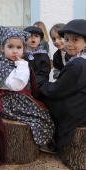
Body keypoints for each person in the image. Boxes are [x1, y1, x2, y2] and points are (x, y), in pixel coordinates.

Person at [0, 25, 55, 148]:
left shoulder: (15, 63)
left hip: (20, 99)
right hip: (11, 103)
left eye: (19, 47)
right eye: (10, 47)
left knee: (45, 112)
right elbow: (17, 85)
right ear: (2, 48)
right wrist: (22, 65)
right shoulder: (3, 65)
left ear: (24, 49)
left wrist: (21, 65)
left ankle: (45, 141)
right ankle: (41, 142)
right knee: (39, 117)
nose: (15, 51)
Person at [39, 19, 86, 150]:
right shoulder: (79, 59)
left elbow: (57, 90)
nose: (69, 44)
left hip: (79, 109)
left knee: (42, 99)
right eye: (67, 39)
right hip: (80, 101)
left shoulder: (78, 64)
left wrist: (41, 86)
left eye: (75, 40)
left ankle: (50, 139)